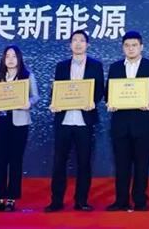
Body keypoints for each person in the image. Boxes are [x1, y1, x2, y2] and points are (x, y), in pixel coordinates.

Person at [105, 31, 149, 212]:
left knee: (142, 164)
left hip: (143, 123)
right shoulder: (115, 67)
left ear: (141, 47)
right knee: (121, 165)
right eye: (127, 45)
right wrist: (110, 102)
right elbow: (109, 90)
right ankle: (121, 201)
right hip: (120, 124)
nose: (131, 48)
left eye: (134, 45)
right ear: (122, 48)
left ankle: (140, 200)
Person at [45, 31, 105, 213]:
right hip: (64, 120)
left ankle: (81, 201)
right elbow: (56, 89)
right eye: (74, 41)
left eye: (82, 40)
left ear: (87, 45)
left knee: (84, 162)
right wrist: (54, 102)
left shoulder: (96, 65)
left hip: (84, 120)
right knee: (59, 162)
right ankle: (56, 201)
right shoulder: (61, 66)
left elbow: (100, 89)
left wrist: (93, 102)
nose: (78, 43)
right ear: (70, 45)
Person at [0, 45, 39, 213]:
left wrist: (29, 103)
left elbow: (36, 96)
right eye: (7, 56)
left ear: (19, 58)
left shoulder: (27, 76)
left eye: (14, 56)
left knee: (15, 160)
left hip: (19, 122)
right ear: (3, 59)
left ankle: (11, 199)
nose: (10, 59)